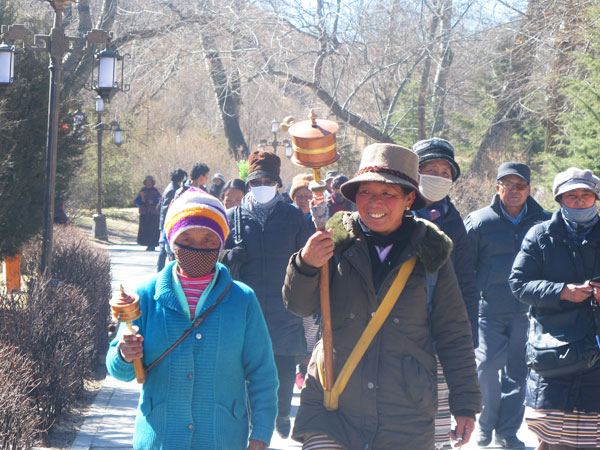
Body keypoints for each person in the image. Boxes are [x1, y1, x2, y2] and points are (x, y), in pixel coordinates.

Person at [283, 143, 481, 450]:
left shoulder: (431, 251)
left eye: (388, 193)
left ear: (409, 198)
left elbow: (453, 331)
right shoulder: (334, 241)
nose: (375, 202)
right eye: (366, 192)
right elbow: (298, 306)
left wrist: (465, 403)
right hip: (333, 397)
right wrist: (305, 264)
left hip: (404, 409)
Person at [107, 188, 278, 450]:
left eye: (209, 240)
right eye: (187, 237)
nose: (198, 247)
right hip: (160, 438)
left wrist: (261, 434)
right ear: (172, 239)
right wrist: (124, 354)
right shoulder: (144, 295)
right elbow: (120, 371)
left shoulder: (242, 299)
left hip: (223, 439)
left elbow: (262, 373)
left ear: (221, 243)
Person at [221, 150, 312, 439]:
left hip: (285, 305)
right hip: (245, 308)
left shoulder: (293, 217)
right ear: (249, 184)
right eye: (257, 181)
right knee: (247, 370)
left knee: (283, 372)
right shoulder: (232, 217)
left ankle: (281, 412)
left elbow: (310, 255)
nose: (263, 186)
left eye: (269, 181)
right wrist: (227, 256)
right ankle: (252, 424)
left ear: (278, 184)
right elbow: (213, 257)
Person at [509, 167, 600, 450]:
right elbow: (519, 283)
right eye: (572, 196)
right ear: (559, 199)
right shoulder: (540, 235)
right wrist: (561, 292)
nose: (580, 201)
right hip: (553, 349)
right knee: (551, 438)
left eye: (586, 195)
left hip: (596, 352)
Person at [465, 162, 551, 449]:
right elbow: (465, 269)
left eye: (520, 186)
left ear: (529, 189)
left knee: (519, 372)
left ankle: (507, 432)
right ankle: (486, 423)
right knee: (487, 366)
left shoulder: (545, 222)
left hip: (529, 312)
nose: (514, 191)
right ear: (497, 187)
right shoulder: (479, 222)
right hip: (488, 309)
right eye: (507, 185)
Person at [412, 137, 479, 450]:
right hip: (395, 333)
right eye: (429, 169)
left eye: (445, 172)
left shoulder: (454, 222)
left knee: (434, 424)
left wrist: (468, 339)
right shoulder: (392, 215)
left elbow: (466, 284)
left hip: (441, 333)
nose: (438, 177)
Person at [157, 168, 186, 271]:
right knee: (164, 250)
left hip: (165, 223)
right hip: (167, 223)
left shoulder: (173, 187)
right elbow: (166, 210)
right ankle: (159, 271)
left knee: (165, 250)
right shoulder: (172, 190)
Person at [134, 175, 161, 251]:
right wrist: (141, 198)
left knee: (153, 229)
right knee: (145, 229)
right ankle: (147, 244)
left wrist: (153, 202)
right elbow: (136, 201)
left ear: (152, 183)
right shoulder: (142, 191)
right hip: (144, 213)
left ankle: (152, 245)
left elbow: (160, 200)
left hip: (153, 214)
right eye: (147, 182)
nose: (149, 183)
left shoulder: (155, 191)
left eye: (150, 182)